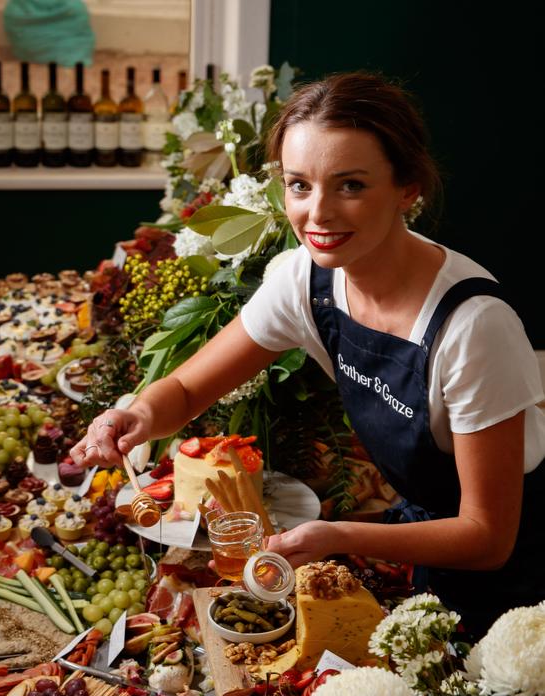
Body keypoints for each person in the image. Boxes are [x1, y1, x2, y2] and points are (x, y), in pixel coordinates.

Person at [72, 71, 545, 639]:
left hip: (519, 576)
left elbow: (488, 536)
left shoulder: (474, 328)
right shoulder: (305, 280)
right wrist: (137, 416)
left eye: (350, 185)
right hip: (426, 538)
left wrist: (340, 534)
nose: (317, 214)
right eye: (299, 185)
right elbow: (189, 389)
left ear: (407, 188)